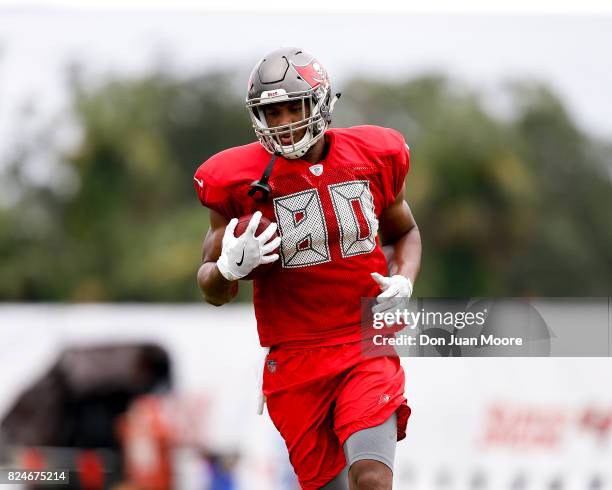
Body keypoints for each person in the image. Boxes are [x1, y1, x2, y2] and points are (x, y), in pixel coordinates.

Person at [194, 47, 421, 490]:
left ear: (319, 102)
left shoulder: (373, 155)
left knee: (371, 478)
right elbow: (208, 286)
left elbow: (406, 231)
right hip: (296, 357)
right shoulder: (237, 180)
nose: (281, 123)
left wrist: (404, 278)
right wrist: (226, 269)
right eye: (270, 112)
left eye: (290, 108)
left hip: (362, 338)